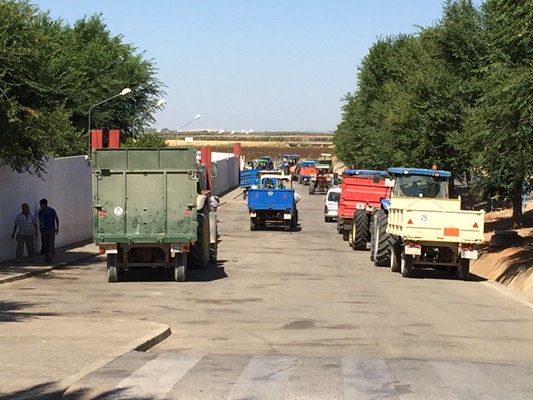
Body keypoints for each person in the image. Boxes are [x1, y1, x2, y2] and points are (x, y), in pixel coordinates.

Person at [38, 198, 59, 263]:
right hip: (44, 229)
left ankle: (50, 256)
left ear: (44, 204)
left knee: (50, 243)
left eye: (41, 204)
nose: (40, 206)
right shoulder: (41, 212)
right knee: (45, 244)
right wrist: (40, 228)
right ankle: (47, 257)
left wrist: (57, 228)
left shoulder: (51, 211)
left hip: (51, 229)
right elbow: (40, 220)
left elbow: (56, 219)